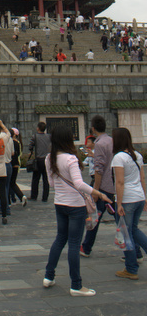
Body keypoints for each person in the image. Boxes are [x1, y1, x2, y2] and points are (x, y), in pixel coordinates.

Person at [44, 124, 111, 296]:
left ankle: (49, 276)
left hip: (60, 204)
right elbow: (79, 184)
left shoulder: (49, 158)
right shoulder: (71, 159)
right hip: (75, 206)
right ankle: (76, 285)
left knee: (60, 239)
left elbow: (52, 184)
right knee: (74, 244)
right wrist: (99, 194)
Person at [111, 127, 147, 280]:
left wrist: (119, 204)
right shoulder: (137, 155)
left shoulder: (119, 157)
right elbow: (142, 178)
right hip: (138, 197)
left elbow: (120, 182)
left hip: (127, 199)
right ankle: (132, 265)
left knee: (126, 233)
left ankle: (131, 268)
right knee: (134, 229)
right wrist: (145, 197)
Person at [80, 115, 114, 258]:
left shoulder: (99, 144)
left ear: (93, 129)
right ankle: (134, 250)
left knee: (95, 217)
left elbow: (99, 169)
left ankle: (86, 247)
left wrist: (96, 190)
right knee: (121, 219)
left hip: (104, 187)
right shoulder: (111, 140)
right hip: (113, 186)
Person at [29, 122, 51, 202]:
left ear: (38, 128)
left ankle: (34, 196)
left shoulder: (35, 136)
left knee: (35, 179)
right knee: (46, 179)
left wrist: (31, 151)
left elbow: (30, 146)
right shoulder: (49, 136)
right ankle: (45, 197)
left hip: (39, 160)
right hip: (47, 160)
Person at [9, 128, 27, 206]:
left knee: (8, 183)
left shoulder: (9, 142)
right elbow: (19, 153)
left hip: (10, 164)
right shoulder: (18, 143)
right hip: (16, 164)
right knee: (12, 183)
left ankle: (9, 201)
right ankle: (21, 196)